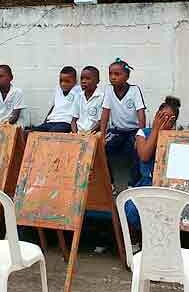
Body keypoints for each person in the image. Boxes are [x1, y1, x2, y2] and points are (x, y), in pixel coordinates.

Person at [125, 96, 180, 230]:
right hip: (147, 183)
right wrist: (156, 130)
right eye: (161, 116)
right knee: (132, 209)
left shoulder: (175, 137)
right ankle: (137, 239)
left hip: (167, 185)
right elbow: (144, 156)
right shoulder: (143, 133)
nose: (164, 120)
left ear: (173, 122)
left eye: (169, 118)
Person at [100, 58, 146, 186]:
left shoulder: (134, 90)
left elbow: (141, 113)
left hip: (133, 131)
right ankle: (110, 184)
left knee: (136, 150)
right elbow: (105, 113)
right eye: (110, 74)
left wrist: (140, 135)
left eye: (117, 74)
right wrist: (102, 134)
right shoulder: (109, 90)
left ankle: (133, 183)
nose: (113, 77)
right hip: (116, 131)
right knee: (102, 148)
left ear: (126, 77)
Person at [32, 66, 80, 133]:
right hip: (51, 121)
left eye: (67, 81)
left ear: (75, 81)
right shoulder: (58, 90)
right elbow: (53, 107)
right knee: (32, 132)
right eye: (61, 81)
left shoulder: (78, 90)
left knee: (52, 133)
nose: (63, 84)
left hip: (65, 122)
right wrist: (45, 122)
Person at [71, 66, 103, 134]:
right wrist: (75, 133)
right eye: (82, 78)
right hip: (79, 132)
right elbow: (74, 120)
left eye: (88, 79)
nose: (83, 81)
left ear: (97, 81)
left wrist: (89, 133)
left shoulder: (101, 97)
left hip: (94, 132)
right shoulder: (78, 96)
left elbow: (101, 122)